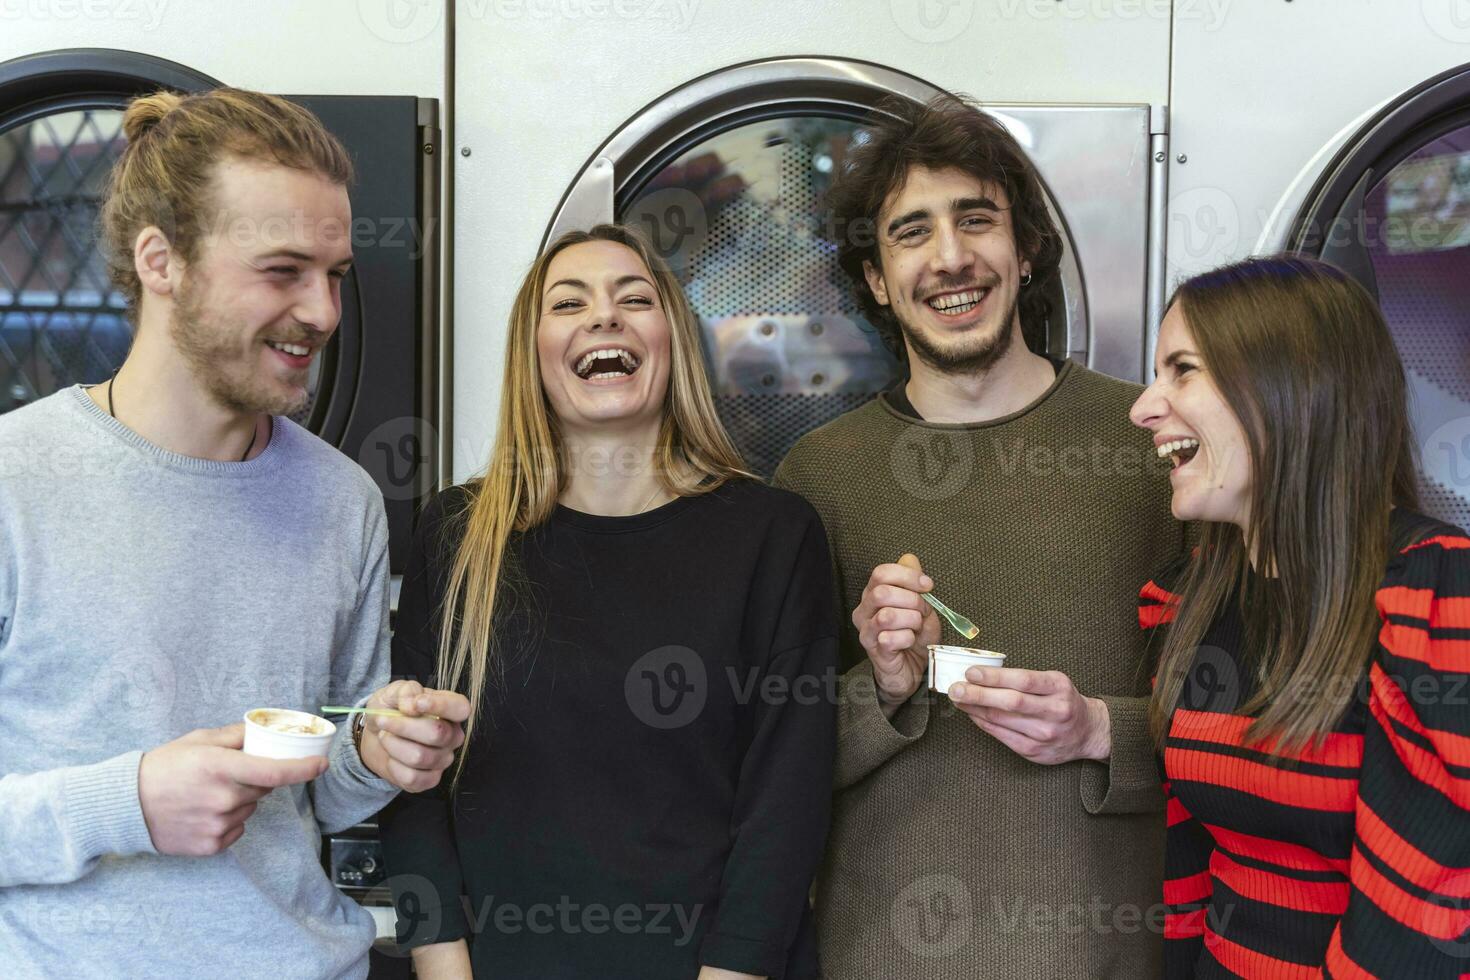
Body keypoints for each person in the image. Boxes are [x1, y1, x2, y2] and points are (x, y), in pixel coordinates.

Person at [0, 88, 468, 979]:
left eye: (333, 274)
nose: (324, 312)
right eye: (283, 270)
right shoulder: (14, 478)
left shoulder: (344, 502)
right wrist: (127, 801)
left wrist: (376, 749)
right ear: (161, 260)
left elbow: (324, 794)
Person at [772, 93, 1187, 978]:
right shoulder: (818, 477)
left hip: (1107, 954)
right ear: (878, 279)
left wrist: (1101, 731)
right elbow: (770, 756)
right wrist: (882, 684)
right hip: (880, 959)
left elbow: (1251, 717)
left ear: (1026, 247)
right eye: (911, 232)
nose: (951, 257)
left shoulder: (1152, 447)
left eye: (977, 219)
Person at [378, 223, 838, 980]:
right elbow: (413, 787)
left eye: (635, 298)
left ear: (672, 341)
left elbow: (784, 812)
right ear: (534, 351)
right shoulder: (457, 534)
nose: (604, 316)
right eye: (569, 303)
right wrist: (443, 970)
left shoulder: (773, 535)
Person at [1131, 255, 1470, 978]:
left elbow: (1418, 924)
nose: (1143, 408)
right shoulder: (1190, 602)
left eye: (1182, 370)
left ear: (1292, 385)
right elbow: (1192, 881)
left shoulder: (1432, 595)